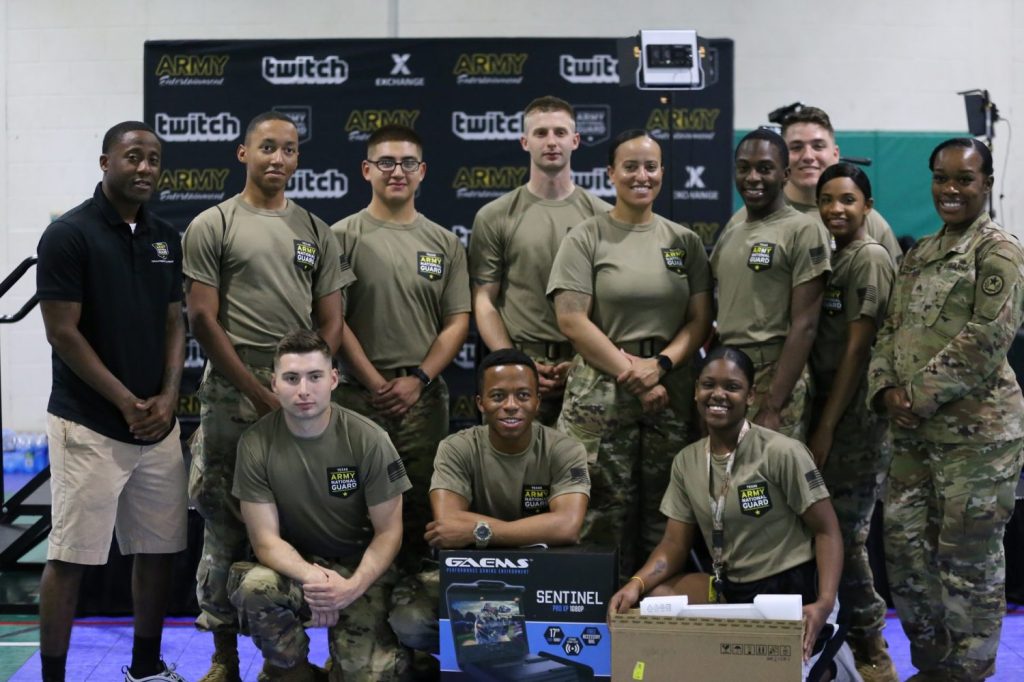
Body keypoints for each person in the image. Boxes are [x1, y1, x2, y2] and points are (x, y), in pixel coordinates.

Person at [183, 111, 349, 681]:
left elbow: (331, 318)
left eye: (289, 150)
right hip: (236, 388)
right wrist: (257, 390)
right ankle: (223, 657)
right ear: (243, 153)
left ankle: (294, 661)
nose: (278, 159)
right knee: (224, 523)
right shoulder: (214, 223)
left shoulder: (315, 231)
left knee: (304, 517)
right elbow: (203, 318)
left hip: (300, 385)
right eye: (267, 148)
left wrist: (307, 380)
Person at [36, 121, 188, 682]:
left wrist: (169, 396)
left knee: (157, 551)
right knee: (71, 557)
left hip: (156, 424)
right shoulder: (68, 235)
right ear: (105, 162)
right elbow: (63, 332)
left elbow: (176, 319)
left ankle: (145, 668)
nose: (145, 167)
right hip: (90, 422)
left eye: (153, 159)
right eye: (132, 157)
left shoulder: (166, 237)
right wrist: (126, 401)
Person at [867, 138, 1024, 681]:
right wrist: (887, 390)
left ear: (985, 184)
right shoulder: (921, 252)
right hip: (912, 436)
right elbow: (889, 329)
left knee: (967, 562)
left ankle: (969, 673)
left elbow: (988, 337)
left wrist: (918, 395)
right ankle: (933, 668)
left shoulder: (997, 250)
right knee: (907, 555)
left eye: (964, 179)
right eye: (941, 178)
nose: (951, 189)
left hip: (976, 439)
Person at [608, 346, 843, 667]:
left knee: (773, 674)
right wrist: (635, 585)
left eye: (732, 387)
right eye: (708, 385)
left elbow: (827, 531)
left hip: (789, 589)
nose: (717, 394)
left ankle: (830, 663)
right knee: (657, 601)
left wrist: (825, 603)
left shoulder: (782, 453)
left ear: (750, 396)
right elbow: (674, 544)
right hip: (728, 586)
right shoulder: (687, 460)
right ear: (695, 391)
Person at [548, 129, 713, 577]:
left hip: (670, 387)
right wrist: (631, 372)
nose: (642, 175)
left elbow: (700, 320)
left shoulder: (685, 242)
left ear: (662, 172)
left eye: (651, 166)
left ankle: (654, 631)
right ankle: (594, 633)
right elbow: (572, 320)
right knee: (600, 513)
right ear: (610, 174)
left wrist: (659, 366)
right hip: (601, 393)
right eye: (630, 166)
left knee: (666, 513)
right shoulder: (586, 237)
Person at [230, 330, 412, 681]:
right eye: (291, 378)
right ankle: (292, 671)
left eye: (314, 377)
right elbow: (265, 541)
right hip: (296, 569)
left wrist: (350, 587)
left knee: (369, 676)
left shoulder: (370, 439)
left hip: (361, 569)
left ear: (333, 379)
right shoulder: (255, 444)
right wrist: (315, 579)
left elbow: (390, 532)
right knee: (254, 587)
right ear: (274, 383)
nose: (303, 390)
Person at [330, 124, 470, 576]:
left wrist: (419, 380)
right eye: (386, 162)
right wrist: (375, 383)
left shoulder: (445, 242)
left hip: (422, 399)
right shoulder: (340, 236)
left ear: (423, 171)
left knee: (419, 511)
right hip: (356, 395)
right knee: (353, 512)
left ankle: (411, 631)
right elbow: (335, 321)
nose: (397, 171)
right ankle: (355, 638)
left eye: (408, 162)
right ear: (366, 169)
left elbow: (457, 322)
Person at [388, 349, 589, 660]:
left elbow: (567, 526)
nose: (511, 406)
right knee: (411, 622)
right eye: (498, 396)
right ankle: (455, 664)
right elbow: (449, 521)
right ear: (480, 403)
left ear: (537, 401)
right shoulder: (456, 448)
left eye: (523, 395)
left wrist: (480, 531)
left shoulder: (566, 450)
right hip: (470, 576)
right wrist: (535, 529)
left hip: (543, 575)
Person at [470, 96, 612, 425]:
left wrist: (581, 359)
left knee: (580, 474)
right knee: (513, 472)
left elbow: (611, 302)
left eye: (560, 132)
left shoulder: (603, 217)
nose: (551, 141)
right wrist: (517, 363)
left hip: (590, 364)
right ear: (525, 141)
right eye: (541, 133)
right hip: (517, 369)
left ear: (575, 140)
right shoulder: (494, 216)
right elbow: (484, 301)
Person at [808, 164, 897, 681]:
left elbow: (857, 351)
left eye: (846, 200)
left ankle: (873, 656)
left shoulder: (869, 259)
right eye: (826, 200)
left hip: (853, 424)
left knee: (846, 537)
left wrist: (826, 426)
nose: (835, 209)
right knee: (831, 534)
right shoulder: (834, 257)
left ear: (867, 205)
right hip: (827, 414)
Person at [710, 129, 832, 440]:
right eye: (744, 168)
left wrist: (774, 405)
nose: (753, 178)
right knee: (731, 480)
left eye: (764, 168)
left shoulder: (803, 229)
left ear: (785, 174)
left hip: (775, 373)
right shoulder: (733, 230)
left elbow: (805, 324)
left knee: (769, 482)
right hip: (729, 371)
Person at [726, 107, 901, 264]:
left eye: (818, 146)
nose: (808, 156)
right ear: (782, 158)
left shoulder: (869, 221)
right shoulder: (745, 220)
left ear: (835, 154)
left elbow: (896, 290)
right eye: (796, 147)